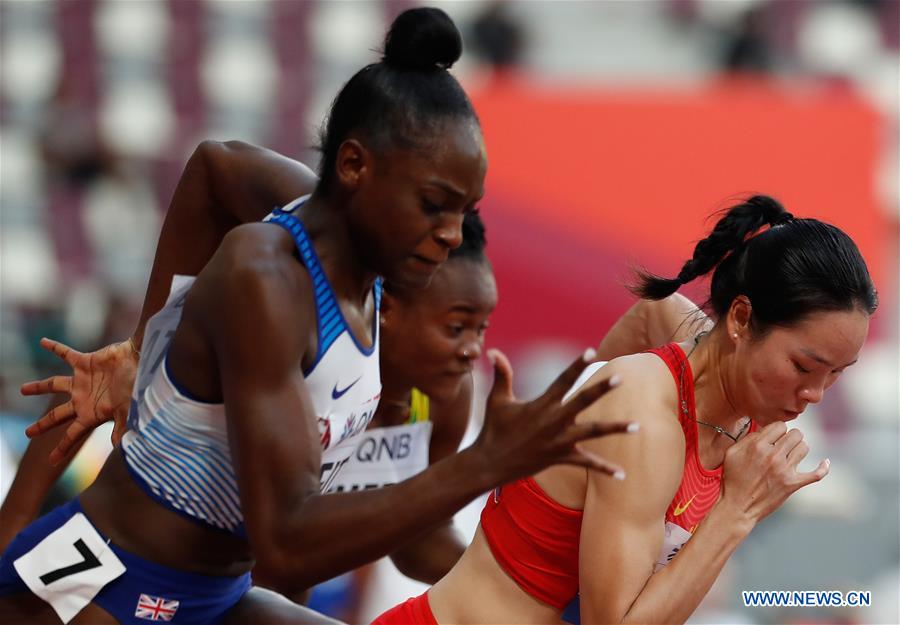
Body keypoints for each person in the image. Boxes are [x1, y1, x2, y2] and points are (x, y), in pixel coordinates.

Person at [0, 9, 634, 625]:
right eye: (434, 205)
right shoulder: (267, 274)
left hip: (216, 594)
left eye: (462, 214)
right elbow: (286, 542)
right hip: (112, 578)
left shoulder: (380, 266)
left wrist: (145, 343)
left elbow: (214, 168)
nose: (447, 237)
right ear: (355, 167)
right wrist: (488, 463)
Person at [372, 194, 878, 625]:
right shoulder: (644, 416)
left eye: (837, 374)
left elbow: (655, 312)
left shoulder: (722, 378)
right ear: (742, 319)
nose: (816, 394)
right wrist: (737, 511)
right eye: (803, 366)